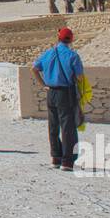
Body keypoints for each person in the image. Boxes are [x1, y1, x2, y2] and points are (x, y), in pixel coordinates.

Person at [31, 27, 84, 171]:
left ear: (58, 38)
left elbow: (34, 68)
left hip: (51, 93)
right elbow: (79, 77)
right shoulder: (73, 56)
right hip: (65, 93)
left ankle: (55, 157)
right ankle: (67, 161)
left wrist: (43, 84)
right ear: (71, 39)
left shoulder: (48, 53)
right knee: (68, 127)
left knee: (53, 126)